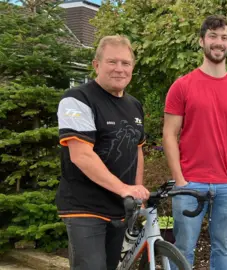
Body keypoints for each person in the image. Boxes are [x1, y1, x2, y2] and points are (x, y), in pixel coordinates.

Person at [163, 15, 227, 270]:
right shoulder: (181, 86)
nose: (219, 42)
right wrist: (179, 179)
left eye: (224, 38)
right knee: (182, 248)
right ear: (202, 41)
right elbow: (169, 134)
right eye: (213, 36)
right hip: (189, 183)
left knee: (223, 246)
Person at [55, 35, 150, 270]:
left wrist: (137, 192)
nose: (120, 69)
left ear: (132, 68)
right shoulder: (77, 99)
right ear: (96, 64)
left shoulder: (134, 105)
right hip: (84, 207)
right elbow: (81, 155)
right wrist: (124, 188)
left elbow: (136, 150)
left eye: (126, 63)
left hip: (119, 208)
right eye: (112, 62)